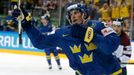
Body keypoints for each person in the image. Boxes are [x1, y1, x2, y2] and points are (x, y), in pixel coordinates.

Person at [13, 3, 122, 75]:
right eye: (70, 14)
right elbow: (40, 42)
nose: (72, 16)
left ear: (84, 14)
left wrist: (92, 36)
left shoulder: (99, 26)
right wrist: (27, 26)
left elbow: (111, 46)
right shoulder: (63, 33)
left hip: (111, 72)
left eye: (76, 13)